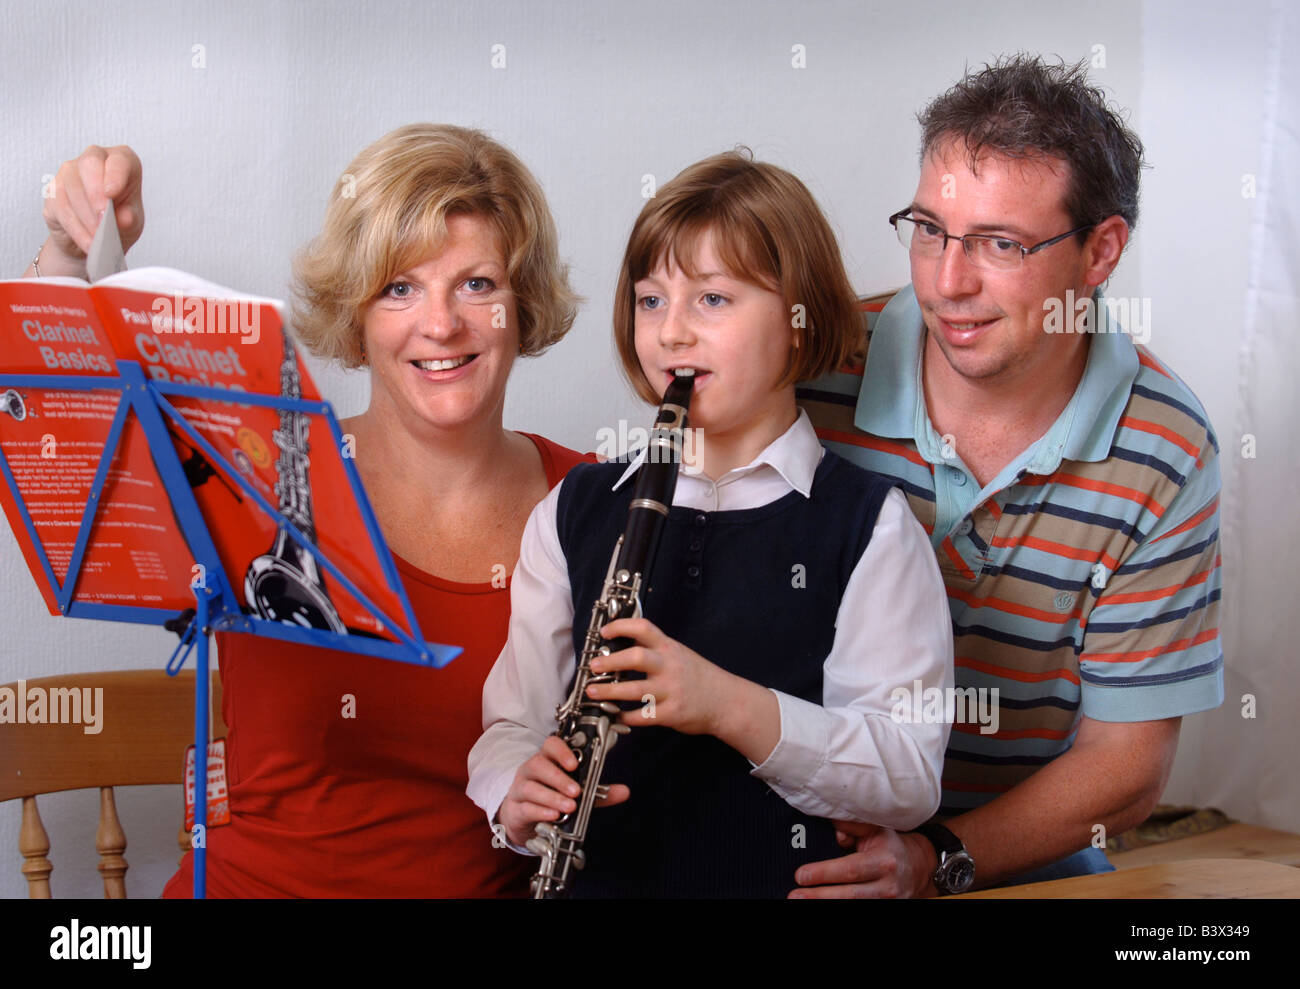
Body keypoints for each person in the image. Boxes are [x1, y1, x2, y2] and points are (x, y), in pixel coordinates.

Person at [29, 124, 591, 897]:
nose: (440, 323)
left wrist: (821, 812)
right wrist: (70, 247)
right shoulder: (254, 467)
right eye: (399, 287)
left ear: (522, 305)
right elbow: (60, 438)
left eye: (477, 284)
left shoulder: (600, 504)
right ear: (356, 314)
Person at [467, 151, 954, 898]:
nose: (671, 335)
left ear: (801, 321)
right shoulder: (574, 510)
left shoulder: (871, 530)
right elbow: (511, 722)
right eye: (652, 299)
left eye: (714, 300)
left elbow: (906, 778)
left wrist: (724, 703)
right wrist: (514, 787)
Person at [792, 55, 1225, 897]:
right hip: (797, 829)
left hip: (1013, 848)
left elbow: (1125, 767)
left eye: (1001, 243)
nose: (948, 283)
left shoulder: (1167, 446)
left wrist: (934, 858)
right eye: (929, 229)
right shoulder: (815, 369)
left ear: (1100, 251)